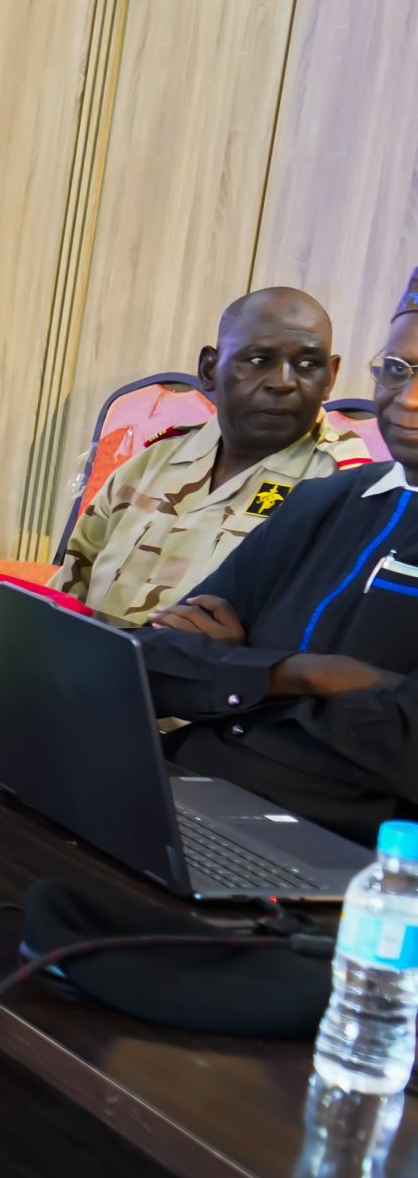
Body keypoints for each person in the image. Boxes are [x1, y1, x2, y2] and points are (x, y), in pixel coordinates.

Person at [142, 270, 418, 840]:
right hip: (180, 783)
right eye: (397, 369)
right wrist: (309, 672)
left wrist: (237, 674)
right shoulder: (324, 500)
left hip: (336, 844)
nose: (408, 398)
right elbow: (155, 660)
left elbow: (406, 748)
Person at [59, 286, 366, 622]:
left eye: (308, 364)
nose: (282, 383)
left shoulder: (344, 491)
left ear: (330, 376)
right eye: (259, 360)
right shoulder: (154, 463)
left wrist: (235, 650)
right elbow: (67, 594)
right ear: (209, 369)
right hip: (95, 654)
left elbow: (331, 635)